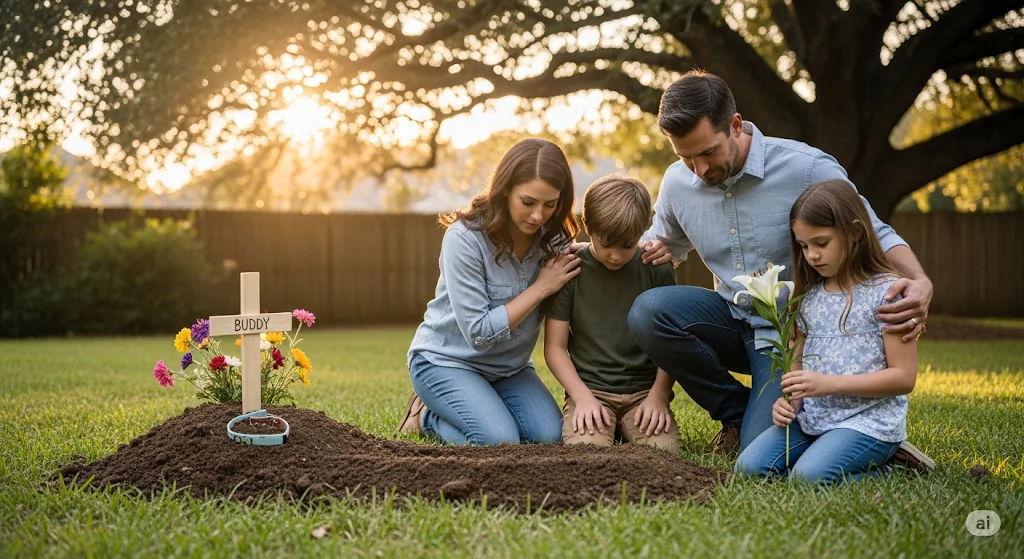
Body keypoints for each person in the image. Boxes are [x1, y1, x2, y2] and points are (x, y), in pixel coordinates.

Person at [627, 70, 934, 465]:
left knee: (765, 454)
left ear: (735, 125)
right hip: (728, 318)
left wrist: (920, 281)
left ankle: (864, 440)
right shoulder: (677, 183)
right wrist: (599, 247)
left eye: (707, 152)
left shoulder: (806, 168)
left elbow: (876, 231)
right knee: (649, 311)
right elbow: (660, 241)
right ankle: (737, 415)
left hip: (788, 333)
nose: (698, 170)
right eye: (684, 157)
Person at [733, 179, 922, 484]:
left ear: (855, 232)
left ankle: (894, 467)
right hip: (813, 419)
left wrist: (827, 384)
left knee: (809, 478)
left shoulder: (888, 294)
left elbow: (904, 378)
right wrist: (791, 401)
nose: (812, 255)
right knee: (749, 470)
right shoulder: (809, 296)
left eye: (821, 243)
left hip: (867, 422)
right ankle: (826, 454)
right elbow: (798, 356)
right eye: (804, 246)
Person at [397, 138, 582, 446]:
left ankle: (483, 403)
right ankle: (425, 414)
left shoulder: (551, 241)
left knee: (549, 437)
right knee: (499, 441)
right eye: (528, 202)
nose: (538, 216)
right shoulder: (464, 240)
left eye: (549, 205)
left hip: (509, 369)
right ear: (506, 189)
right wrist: (540, 288)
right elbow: (478, 333)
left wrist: (648, 248)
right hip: (447, 361)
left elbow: (596, 255)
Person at [543, 175, 682, 452]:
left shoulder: (656, 267)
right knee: (587, 451)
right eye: (606, 244)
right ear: (588, 226)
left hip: (644, 393)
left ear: (644, 230)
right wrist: (582, 399)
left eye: (627, 245)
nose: (616, 256)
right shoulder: (571, 271)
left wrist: (658, 396)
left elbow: (672, 343)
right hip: (590, 390)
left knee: (666, 453)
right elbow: (554, 348)